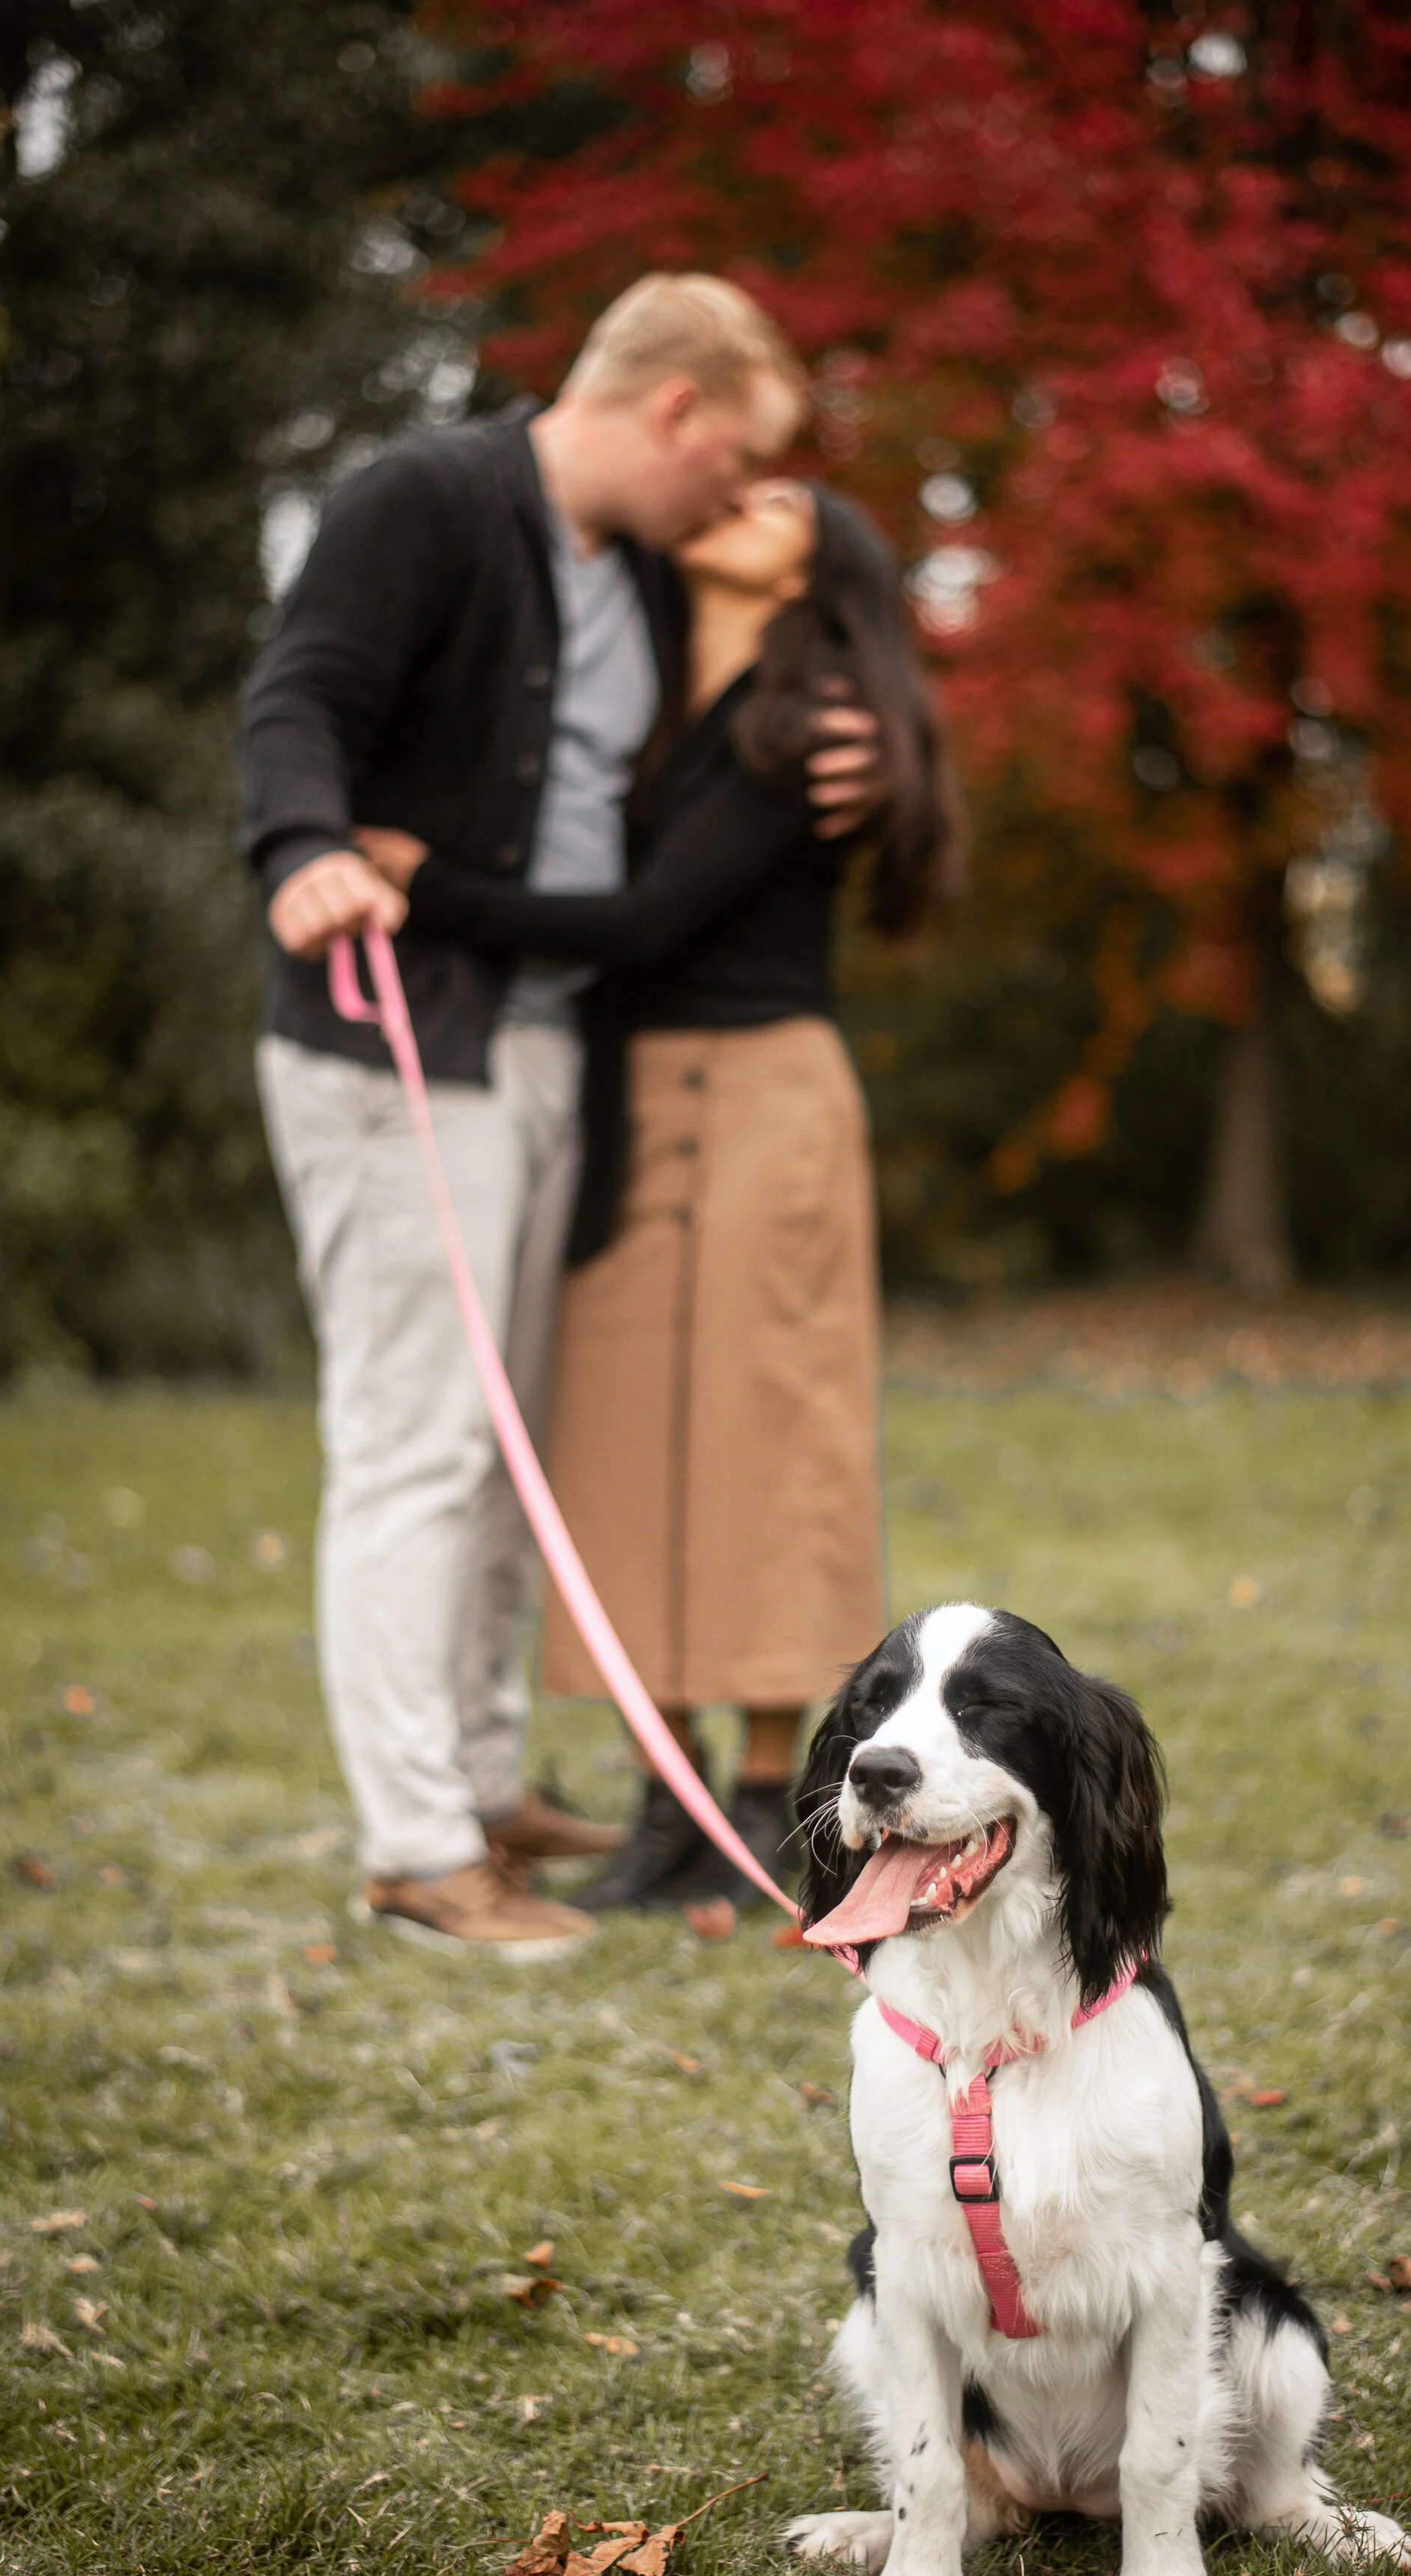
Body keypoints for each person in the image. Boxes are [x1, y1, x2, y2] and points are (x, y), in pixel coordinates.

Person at [237, 276, 879, 1956]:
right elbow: (297, 695)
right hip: (394, 1043)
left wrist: (870, 757)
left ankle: (481, 1787)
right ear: (674, 412)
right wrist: (300, 846)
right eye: (731, 460)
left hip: (537, 1058)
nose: (738, 499)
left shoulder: (641, 578)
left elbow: (750, 714)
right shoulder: (428, 500)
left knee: (512, 1448)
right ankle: (411, 1853)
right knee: (418, 1445)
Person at [353, 477, 961, 1921]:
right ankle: (662, 1798)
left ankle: (767, 1804)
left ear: (823, 560)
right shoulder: (641, 694)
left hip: (764, 1098)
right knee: (616, 1451)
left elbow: (638, 922)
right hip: (627, 1102)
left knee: (768, 1449)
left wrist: (423, 884)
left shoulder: (814, 729)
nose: (729, 496)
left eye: (770, 492)